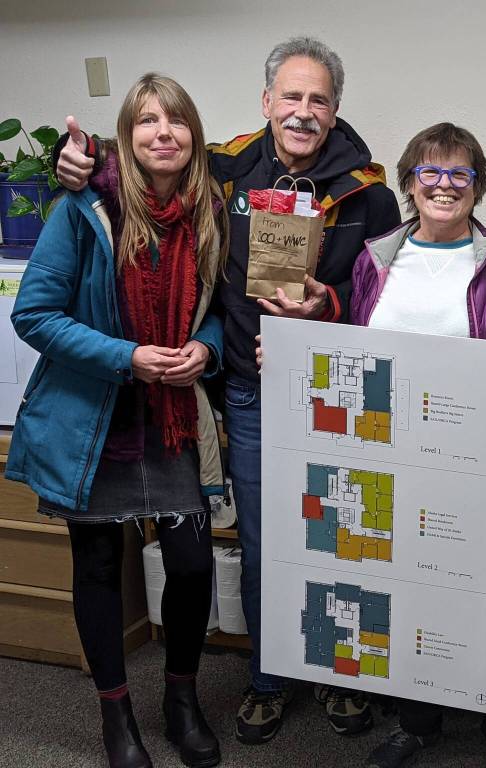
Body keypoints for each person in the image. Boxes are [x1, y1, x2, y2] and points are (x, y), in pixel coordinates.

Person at [57, 37, 402, 745]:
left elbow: (386, 296)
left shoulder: (370, 192)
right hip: (249, 390)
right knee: (264, 539)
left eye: (319, 101)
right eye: (292, 97)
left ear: (335, 111)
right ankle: (270, 678)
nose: (303, 112)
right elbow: (149, 161)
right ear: (267, 101)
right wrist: (84, 156)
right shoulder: (227, 169)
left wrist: (327, 307)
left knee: (344, 542)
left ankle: (340, 679)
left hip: (341, 394)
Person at [7, 73, 227, 768]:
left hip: (173, 420)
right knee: (98, 566)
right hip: (94, 420)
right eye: (147, 120)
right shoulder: (83, 208)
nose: (164, 132)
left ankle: (182, 699)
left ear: (194, 134)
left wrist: (208, 346)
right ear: (125, 138)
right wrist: (127, 356)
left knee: (192, 566)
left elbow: (218, 306)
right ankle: (116, 717)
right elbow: (33, 315)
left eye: (177, 120)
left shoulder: (209, 210)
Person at [348, 122, 486, 768]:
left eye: (459, 173)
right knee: (410, 591)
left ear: (478, 185)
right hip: (397, 461)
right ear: (410, 182)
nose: (444, 185)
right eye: (430, 173)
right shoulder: (375, 258)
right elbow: (355, 349)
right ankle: (417, 719)